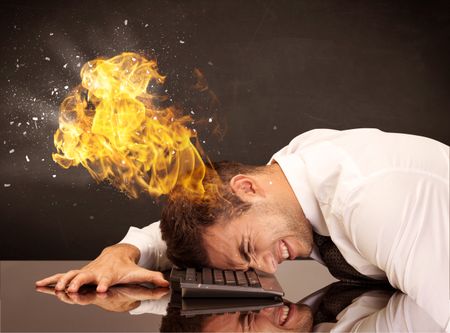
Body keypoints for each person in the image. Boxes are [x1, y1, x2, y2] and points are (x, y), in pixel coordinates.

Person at [36, 128, 450, 329]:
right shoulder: (288, 177)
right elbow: (209, 228)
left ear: (247, 187)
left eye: (251, 248)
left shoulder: (370, 199)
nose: (269, 267)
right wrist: (121, 254)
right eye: (248, 264)